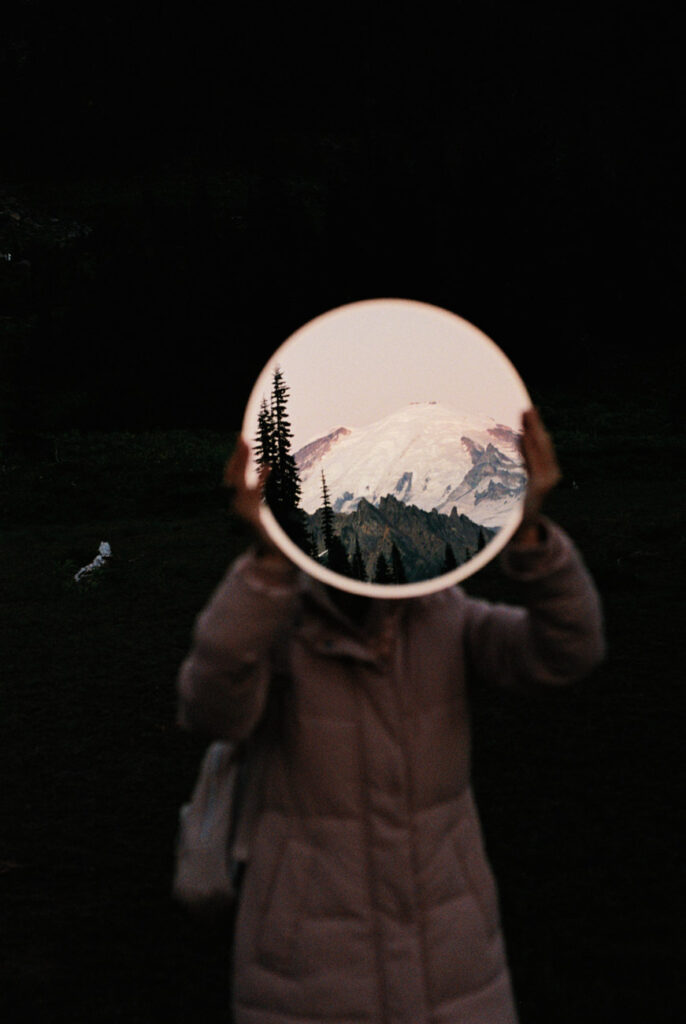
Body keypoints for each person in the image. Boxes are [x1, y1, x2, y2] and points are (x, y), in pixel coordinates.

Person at [177, 407, 605, 1024]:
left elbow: (568, 651)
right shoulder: (274, 631)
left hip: (453, 972)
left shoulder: (446, 617)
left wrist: (533, 539)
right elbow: (210, 708)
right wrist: (265, 569)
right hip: (308, 983)